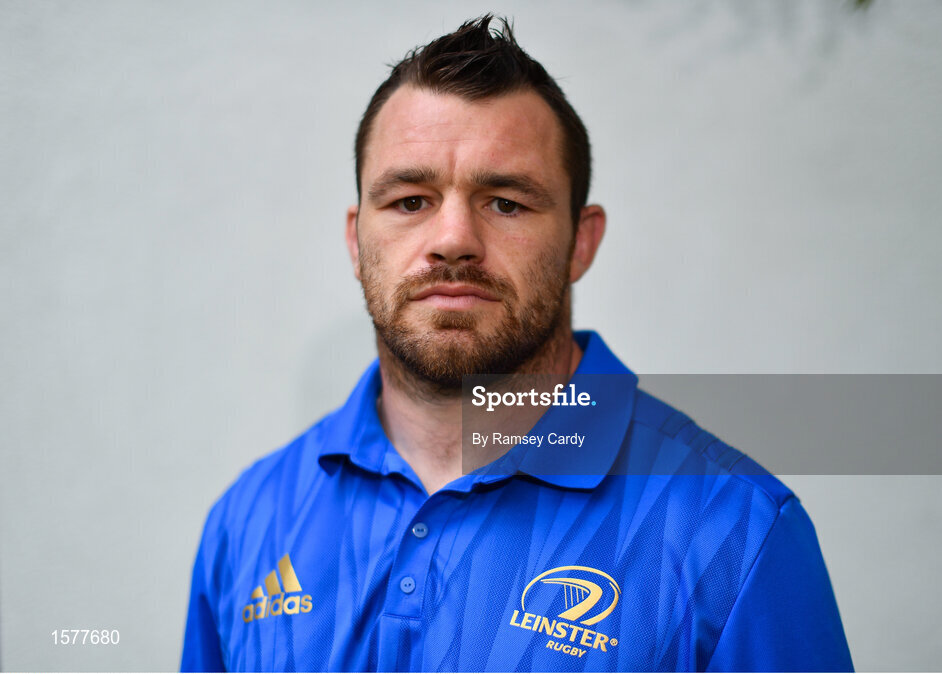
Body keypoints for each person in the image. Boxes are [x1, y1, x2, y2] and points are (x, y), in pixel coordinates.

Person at [181, 15, 853, 672]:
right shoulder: (250, 521)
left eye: (506, 202)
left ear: (581, 241)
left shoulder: (734, 533)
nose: (453, 240)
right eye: (410, 201)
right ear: (357, 242)